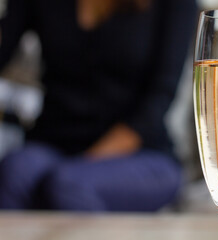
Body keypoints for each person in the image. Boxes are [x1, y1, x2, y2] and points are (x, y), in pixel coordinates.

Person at [0, 0, 197, 211]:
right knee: (14, 172)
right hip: (53, 143)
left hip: (142, 153)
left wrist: (82, 163)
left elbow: (158, 99)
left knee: (68, 185)